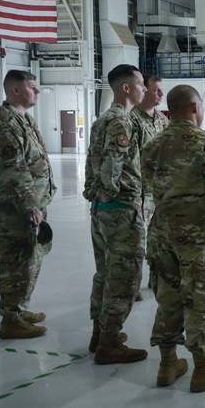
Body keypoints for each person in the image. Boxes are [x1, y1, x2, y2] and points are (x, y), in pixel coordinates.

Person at [142, 85, 205, 393]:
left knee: (167, 295)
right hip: (199, 234)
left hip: (162, 232)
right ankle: (204, 368)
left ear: (170, 111)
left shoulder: (153, 145)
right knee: (201, 297)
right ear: (197, 108)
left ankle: (168, 362)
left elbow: (147, 185)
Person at [0, 70, 56, 339]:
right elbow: (13, 170)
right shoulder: (4, 126)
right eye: (33, 88)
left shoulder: (23, 120)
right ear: (15, 91)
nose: (37, 92)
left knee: (28, 262)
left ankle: (19, 308)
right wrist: (29, 206)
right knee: (14, 264)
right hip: (10, 212)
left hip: (26, 208)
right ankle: (10, 319)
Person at [83, 64, 148, 364]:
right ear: (126, 87)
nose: (144, 89)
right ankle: (109, 343)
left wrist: (93, 192)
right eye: (141, 84)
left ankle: (99, 333)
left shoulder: (101, 120)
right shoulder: (122, 121)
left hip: (102, 212)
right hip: (121, 210)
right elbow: (112, 161)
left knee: (105, 274)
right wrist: (108, 191)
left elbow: (90, 160)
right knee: (124, 277)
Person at [130, 74, 168, 300]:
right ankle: (132, 285)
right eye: (156, 90)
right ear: (144, 91)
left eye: (161, 90)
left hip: (160, 193)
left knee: (158, 239)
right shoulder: (132, 120)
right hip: (140, 192)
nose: (160, 94)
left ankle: (156, 279)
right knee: (137, 241)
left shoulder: (163, 121)